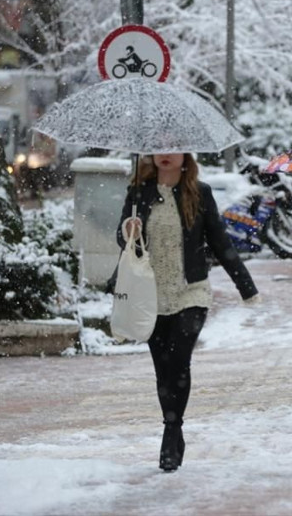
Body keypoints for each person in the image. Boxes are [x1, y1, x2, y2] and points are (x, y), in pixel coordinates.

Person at [116, 152, 259, 471]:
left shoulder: (200, 191)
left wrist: (245, 286)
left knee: (179, 360)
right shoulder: (139, 192)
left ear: (185, 155)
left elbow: (220, 241)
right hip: (149, 296)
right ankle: (173, 423)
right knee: (162, 367)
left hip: (191, 292)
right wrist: (130, 230)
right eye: (159, 149)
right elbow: (121, 238)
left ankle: (171, 430)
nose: (166, 155)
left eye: (174, 148)